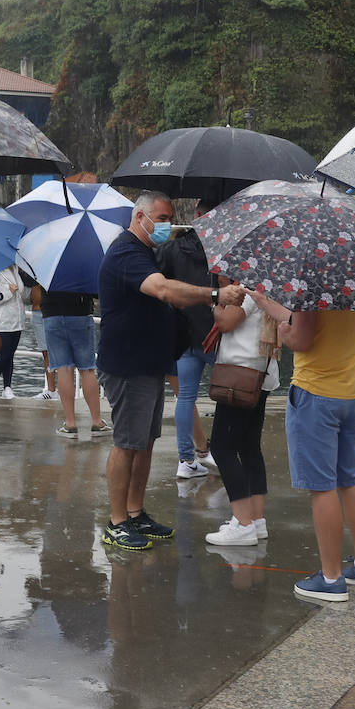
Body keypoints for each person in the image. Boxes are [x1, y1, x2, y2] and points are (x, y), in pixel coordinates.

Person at [96, 191, 244, 551]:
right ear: (139, 217)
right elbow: (162, 289)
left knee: (144, 442)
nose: (166, 225)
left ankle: (135, 512)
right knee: (127, 443)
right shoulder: (126, 252)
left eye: (168, 218)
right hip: (128, 365)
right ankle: (116, 521)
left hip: (149, 363)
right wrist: (214, 295)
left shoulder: (145, 252)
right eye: (160, 218)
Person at [249, 279, 355, 603]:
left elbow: (300, 337)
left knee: (322, 487)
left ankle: (331, 578)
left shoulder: (312, 282)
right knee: (350, 480)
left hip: (317, 394)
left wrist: (282, 329)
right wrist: (268, 305)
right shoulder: (351, 280)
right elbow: (306, 319)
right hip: (352, 391)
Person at [203, 280, 278, 546]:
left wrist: (215, 301)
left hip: (240, 376)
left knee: (223, 449)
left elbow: (226, 322)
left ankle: (243, 523)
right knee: (248, 448)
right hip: (261, 375)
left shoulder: (248, 288)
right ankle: (256, 520)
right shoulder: (270, 284)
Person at [156, 208, 219, 479]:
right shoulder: (223, 248)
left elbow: (158, 285)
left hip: (183, 335)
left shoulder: (172, 249)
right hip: (217, 335)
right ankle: (226, 454)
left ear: (195, 213)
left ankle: (186, 460)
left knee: (185, 398)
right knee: (228, 397)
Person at [40, 282, 109, 437]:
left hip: (52, 315)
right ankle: (97, 422)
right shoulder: (83, 259)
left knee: (63, 368)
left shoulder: (45, 260)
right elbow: (96, 291)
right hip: (80, 313)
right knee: (87, 369)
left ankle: (70, 424)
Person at [20, 271, 59, 400]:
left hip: (53, 312)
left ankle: (54, 389)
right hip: (38, 312)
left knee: (57, 352)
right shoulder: (34, 269)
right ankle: (51, 389)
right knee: (46, 353)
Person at [0, 265, 25, 400]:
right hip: (2, 321)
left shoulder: (15, 270)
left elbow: (21, 292)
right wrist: (9, 292)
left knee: (10, 355)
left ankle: (7, 387)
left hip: (17, 320)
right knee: (3, 356)